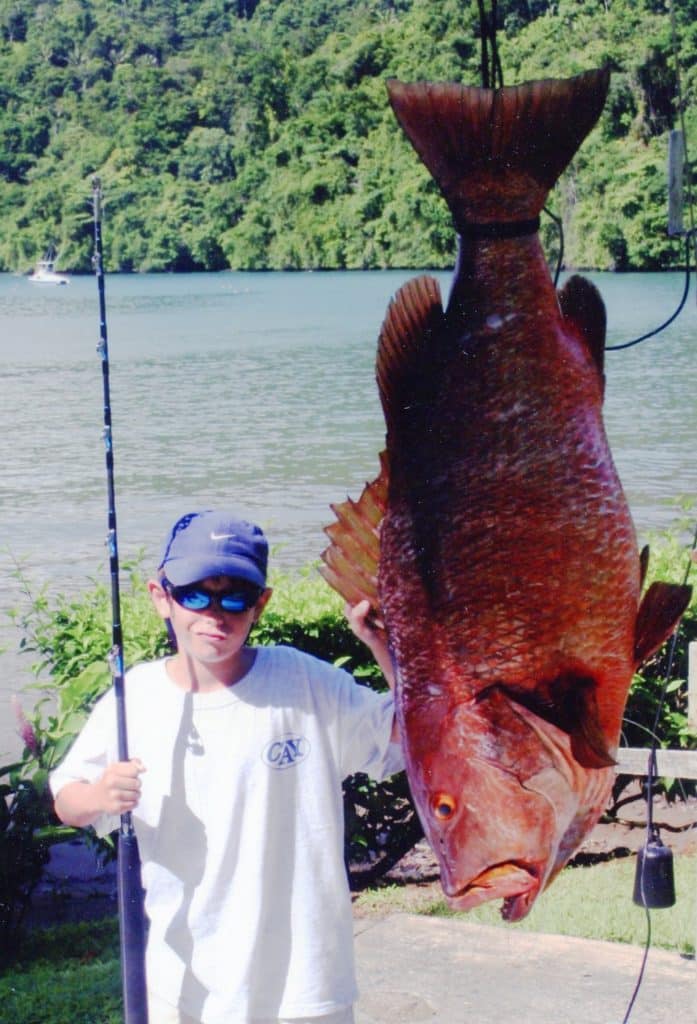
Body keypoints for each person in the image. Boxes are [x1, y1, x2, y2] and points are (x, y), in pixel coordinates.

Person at [50, 510, 403, 1024]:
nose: (214, 614)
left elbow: (405, 735)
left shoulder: (305, 683)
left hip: (307, 989)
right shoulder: (134, 699)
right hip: (184, 988)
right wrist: (100, 795)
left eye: (234, 596)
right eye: (194, 594)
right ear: (160, 597)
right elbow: (66, 799)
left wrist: (387, 646)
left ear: (261, 604)